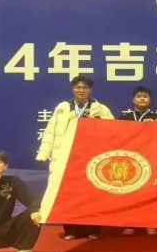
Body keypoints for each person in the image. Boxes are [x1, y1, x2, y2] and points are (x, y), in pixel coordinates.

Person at [36, 75, 114, 240]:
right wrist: (43, 153)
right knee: (68, 193)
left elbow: (112, 131)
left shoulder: (101, 109)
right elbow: (50, 131)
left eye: (84, 88)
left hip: (91, 157)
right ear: (73, 89)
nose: (81, 90)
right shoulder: (62, 108)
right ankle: (71, 230)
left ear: (90, 90)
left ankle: (93, 229)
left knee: (93, 193)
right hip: (66, 157)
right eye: (78, 87)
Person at [118, 85, 157, 236]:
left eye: (145, 96)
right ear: (133, 100)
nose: (142, 99)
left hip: (151, 161)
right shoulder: (124, 119)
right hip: (130, 162)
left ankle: (151, 224)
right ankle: (129, 224)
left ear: (150, 100)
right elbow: (118, 140)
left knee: (150, 194)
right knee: (130, 194)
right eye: (139, 96)